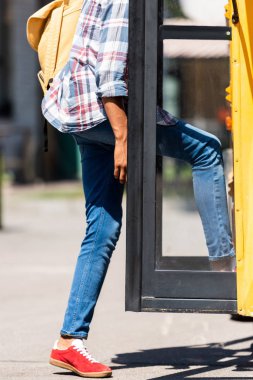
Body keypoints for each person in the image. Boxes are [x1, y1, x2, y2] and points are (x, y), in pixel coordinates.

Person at [42, 0, 236, 377]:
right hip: (105, 112)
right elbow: (111, 73)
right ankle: (223, 268)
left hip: (83, 114)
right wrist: (123, 138)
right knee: (208, 150)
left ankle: (68, 341)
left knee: (102, 229)